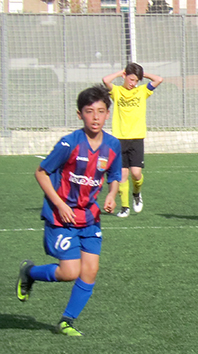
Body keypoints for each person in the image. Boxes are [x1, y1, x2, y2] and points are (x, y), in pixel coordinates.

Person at [16, 86, 122, 336]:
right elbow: (41, 172)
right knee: (70, 272)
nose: (95, 117)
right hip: (62, 217)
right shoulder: (69, 143)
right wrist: (60, 204)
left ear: (108, 114)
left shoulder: (113, 145)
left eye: (101, 111)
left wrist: (111, 194)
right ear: (79, 114)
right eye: (89, 111)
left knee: (91, 270)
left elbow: (115, 174)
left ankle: (67, 321)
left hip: (90, 217)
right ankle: (29, 272)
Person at [102, 63, 163, 218]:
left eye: (136, 80)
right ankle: (125, 207)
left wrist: (142, 74)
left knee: (136, 174)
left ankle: (137, 193)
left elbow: (158, 79)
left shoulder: (142, 91)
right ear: (125, 76)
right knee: (123, 174)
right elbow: (105, 80)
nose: (133, 83)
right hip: (119, 138)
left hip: (136, 138)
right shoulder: (117, 91)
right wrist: (120, 72)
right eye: (131, 79)